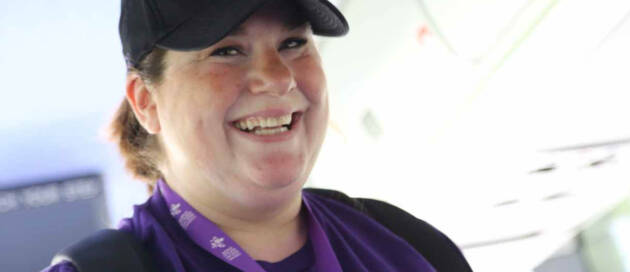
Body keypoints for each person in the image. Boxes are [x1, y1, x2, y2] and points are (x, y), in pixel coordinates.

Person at [43, 0, 472, 271]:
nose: (277, 77)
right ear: (146, 102)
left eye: (292, 42)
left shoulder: (407, 245)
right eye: (226, 51)